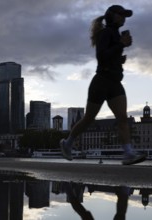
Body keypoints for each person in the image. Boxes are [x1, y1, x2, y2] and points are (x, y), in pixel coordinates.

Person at [60, 5, 146, 165]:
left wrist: (119, 59)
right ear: (111, 16)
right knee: (88, 119)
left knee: (122, 118)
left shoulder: (114, 34)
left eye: (125, 15)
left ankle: (128, 153)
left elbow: (109, 55)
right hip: (101, 82)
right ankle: (67, 143)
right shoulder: (105, 33)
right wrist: (121, 44)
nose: (124, 18)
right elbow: (101, 56)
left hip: (114, 82)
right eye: (121, 15)